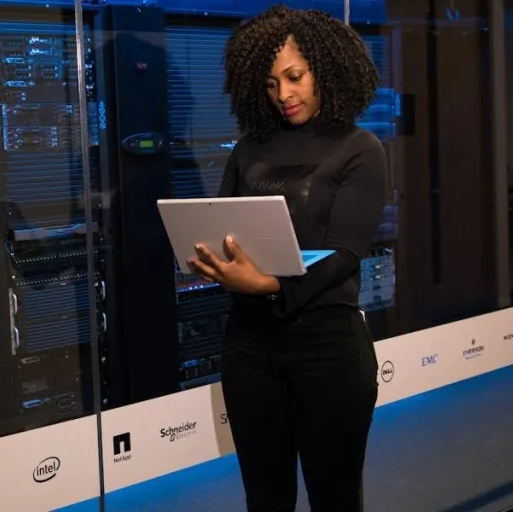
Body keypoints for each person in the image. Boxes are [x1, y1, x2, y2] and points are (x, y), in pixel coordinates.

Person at [185, 5, 387, 512]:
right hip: (250, 349)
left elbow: (345, 254)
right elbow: (222, 226)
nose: (284, 94)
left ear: (326, 68)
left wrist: (269, 285)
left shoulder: (360, 148)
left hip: (328, 350)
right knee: (265, 498)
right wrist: (209, 257)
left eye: (295, 77)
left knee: (334, 498)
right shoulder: (249, 148)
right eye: (272, 83)